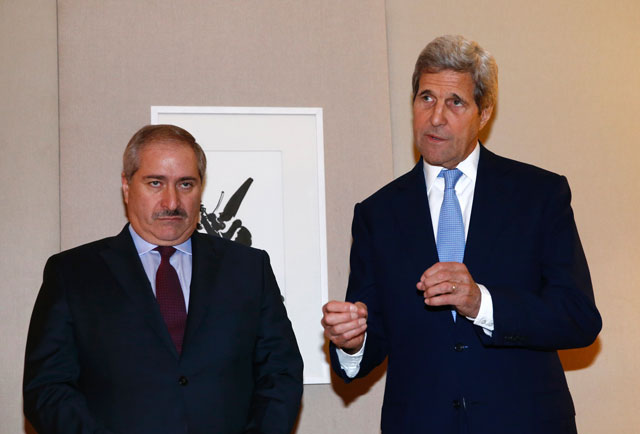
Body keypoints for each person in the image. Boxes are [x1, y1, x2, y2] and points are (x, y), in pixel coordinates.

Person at [321, 35, 601, 433]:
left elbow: (578, 318)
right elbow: (371, 338)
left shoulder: (539, 194)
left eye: (455, 102)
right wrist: (352, 341)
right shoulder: (377, 213)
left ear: (484, 113)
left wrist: (481, 303)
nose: (436, 117)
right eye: (426, 98)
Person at [23, 124, 303, 434]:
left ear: (201, 187)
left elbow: (281, 374)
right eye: (155, 183)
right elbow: (47, 389)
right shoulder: (73, 273)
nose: (171, 202)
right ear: (127, 186)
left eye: (185, 184)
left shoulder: (249, 268)